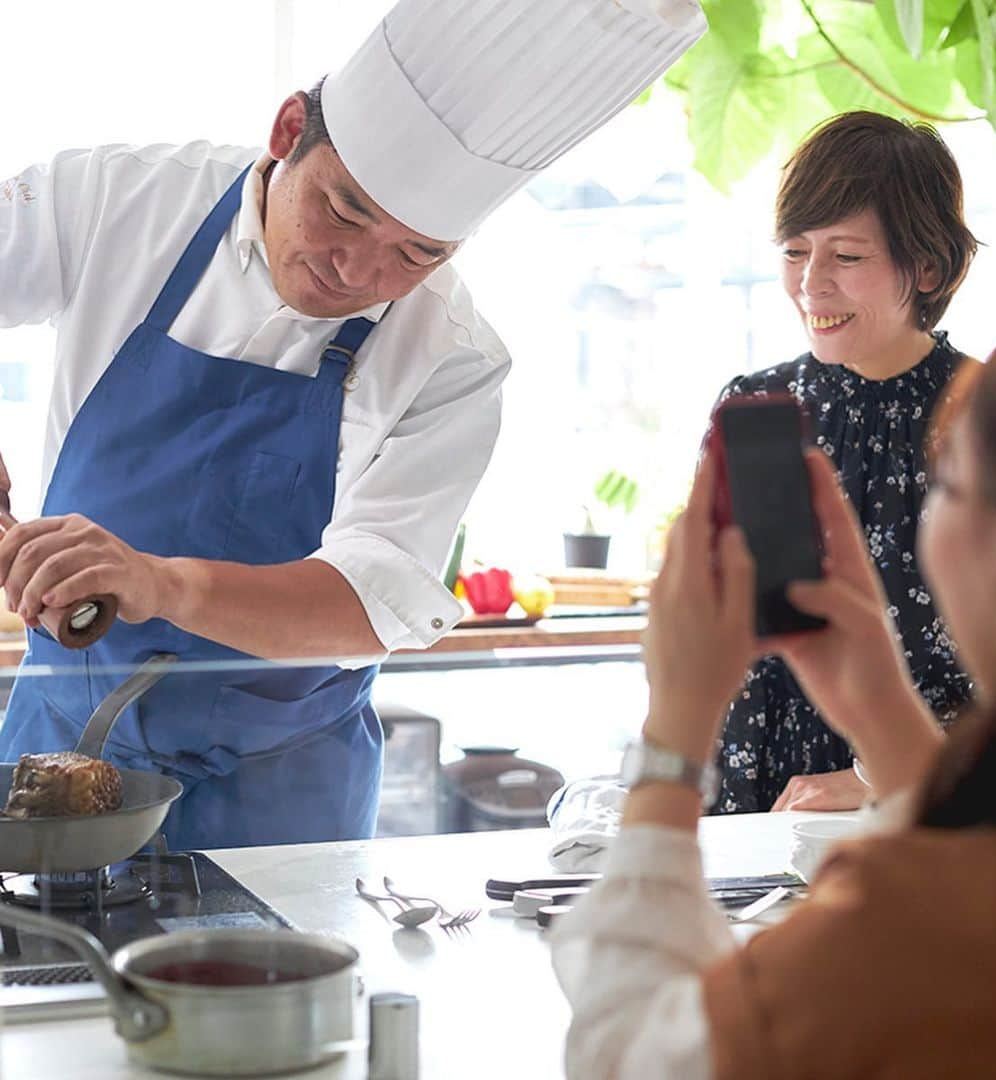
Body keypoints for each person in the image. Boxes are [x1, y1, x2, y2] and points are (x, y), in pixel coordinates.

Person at [0, 0, 706, 850]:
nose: (358, 271)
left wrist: (162, 584)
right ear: (289, 128)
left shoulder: (452, 355)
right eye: (345, 211)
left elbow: (370, 605)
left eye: (418, 254)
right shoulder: (120, 201)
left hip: (281, 802)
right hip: (58, 754)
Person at [551, 285, 996, 1077]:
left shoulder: (900, 926)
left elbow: (627, 1053)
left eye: (951, 485)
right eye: (796, 251)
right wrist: (885, 715)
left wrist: (674, 732)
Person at [711, 110, 979, 815]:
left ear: (926, 265)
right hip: (765, 816)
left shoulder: (992, 416)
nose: (811, 283)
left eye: (847, 256)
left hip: (935, 813)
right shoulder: (757, 408)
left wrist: (869, 779)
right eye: (796, 251)